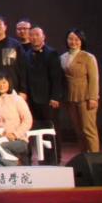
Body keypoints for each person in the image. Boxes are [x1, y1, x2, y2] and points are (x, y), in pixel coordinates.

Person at [24, 25, 64, 163]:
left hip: (48, 100)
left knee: (51, 129)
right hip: (32, 100)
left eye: (37, 35)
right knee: (35, 130)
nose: (34, 37)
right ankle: (40, 158)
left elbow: (57, 77)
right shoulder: (27, 54)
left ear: (43, 37)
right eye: (32, 35)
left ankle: (54, 159)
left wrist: (55, 97)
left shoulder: (51, 53)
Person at [62, 28, 99, 154]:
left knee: (88, 130)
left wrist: (93, 97)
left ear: (81, 41)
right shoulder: (63, 57)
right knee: (78, 130)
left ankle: (95, 158)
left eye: (76, 39)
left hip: (85, 98)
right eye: (70, 39)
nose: (73, 42)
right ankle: (84, 157)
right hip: (70, 98)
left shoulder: (88, 57)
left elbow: (94, 78)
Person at [0, 71, 32, 166]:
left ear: (9, 83)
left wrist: (15, 134)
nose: (1, 85)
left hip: (19, 140)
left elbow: (27, 120)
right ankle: (13, 165)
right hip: (0, 138)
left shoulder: (17, 99)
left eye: (4, 82)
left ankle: (15, 166)